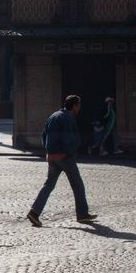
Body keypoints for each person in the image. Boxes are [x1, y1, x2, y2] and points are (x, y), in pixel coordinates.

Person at [27, 95, 97, 227]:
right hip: (64, 156)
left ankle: (34, 213)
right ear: (75, 106)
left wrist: (49, 152)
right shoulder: (68, 118)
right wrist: (69, 152)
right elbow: (68, 138)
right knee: (78, 185)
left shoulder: (54, 115)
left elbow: (44, 134)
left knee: (48, 185)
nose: (79, 108)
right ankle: (82, 214)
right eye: (79, 105)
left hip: (53, 157)